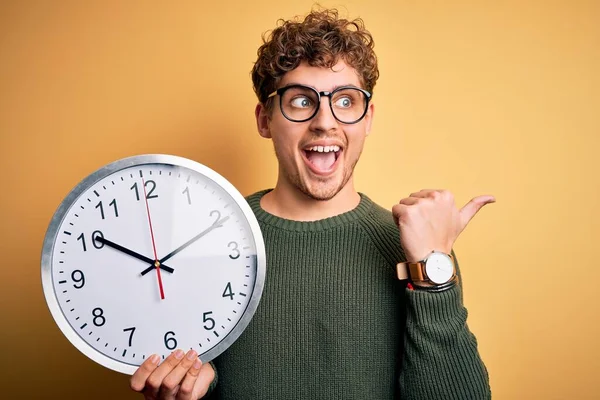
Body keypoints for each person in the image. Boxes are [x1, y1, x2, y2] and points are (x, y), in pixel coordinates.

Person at [130, 8, 494, 399]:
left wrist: (433, 273)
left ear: (367, 118)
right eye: (301, 101)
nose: (325, 121)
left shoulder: (417, 250)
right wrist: (189, 387)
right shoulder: (199, 244)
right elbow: (195, 371)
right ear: (265, 120)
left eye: (345, 101)